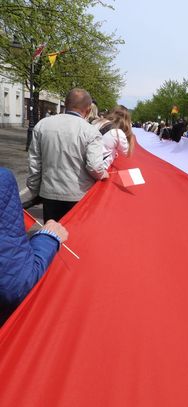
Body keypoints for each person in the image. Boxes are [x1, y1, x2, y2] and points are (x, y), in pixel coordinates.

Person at [25, 88, 108, 222]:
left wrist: (35, 190)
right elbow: (94, 166)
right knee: (75, 238)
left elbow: (34, 162)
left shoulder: (42, 125)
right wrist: (103, 174)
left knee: (52, 237)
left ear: (66, 104)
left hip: (49, 193)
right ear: (88, 109)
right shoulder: (91, 132)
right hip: (79, 195)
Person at [1, 168, 68, 324]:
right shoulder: (3, 180)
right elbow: (16, 285)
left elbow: (36, 162)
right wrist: (49, 238)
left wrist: (35, 188)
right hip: (75, 191)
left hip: (49, 190)